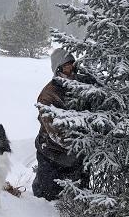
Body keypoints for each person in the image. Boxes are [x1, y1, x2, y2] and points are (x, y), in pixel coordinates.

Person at [32, 48, 93, 201]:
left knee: (77, 195)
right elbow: (55, 132)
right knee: (47, 198)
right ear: (58, 68)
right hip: (51, 152)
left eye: (72, 64)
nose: (71, 68)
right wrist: (81, 144)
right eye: (66, 65)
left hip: (74, 155)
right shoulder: (48, 95)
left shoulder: (79, 86)